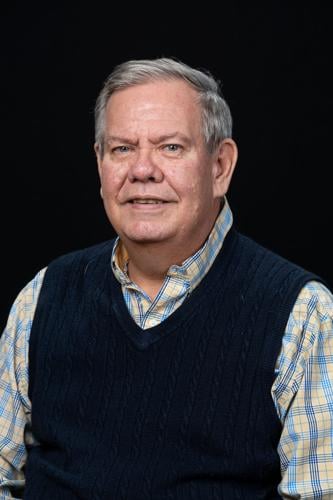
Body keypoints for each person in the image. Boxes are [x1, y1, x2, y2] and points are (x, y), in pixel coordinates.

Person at [0, 58, 332, 499]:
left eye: (170, 147)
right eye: (121, 149)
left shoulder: (304, 317)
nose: (143, 169)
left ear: (220, 167)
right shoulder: (40, 300)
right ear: (100, 165)